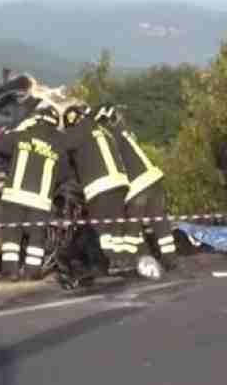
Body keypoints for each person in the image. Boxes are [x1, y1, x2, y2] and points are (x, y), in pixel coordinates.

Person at [94, 103, 179, 273]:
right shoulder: (125, 132)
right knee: (160, 222)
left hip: (137, 186)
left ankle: (130, 263)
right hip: (153, 179)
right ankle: (170, 260)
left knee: (132, 229)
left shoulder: (110, 137)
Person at [0, 104, 69, 281]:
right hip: (40, 201)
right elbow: (64, 174)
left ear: (36, 119)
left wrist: (19, 129)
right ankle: (32, 272)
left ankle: (11, 271)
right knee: (36, 237)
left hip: (15, 196)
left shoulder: (22, 135)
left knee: (12, 234)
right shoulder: (58, 145)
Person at [62, 104, 134, 275]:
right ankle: (125, 260)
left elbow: (61, 147)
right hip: (120, 183)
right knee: (116, 224)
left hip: (99, 186)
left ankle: (114, 262)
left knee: (101, 226)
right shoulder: (104, 130)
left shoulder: (79, 129)